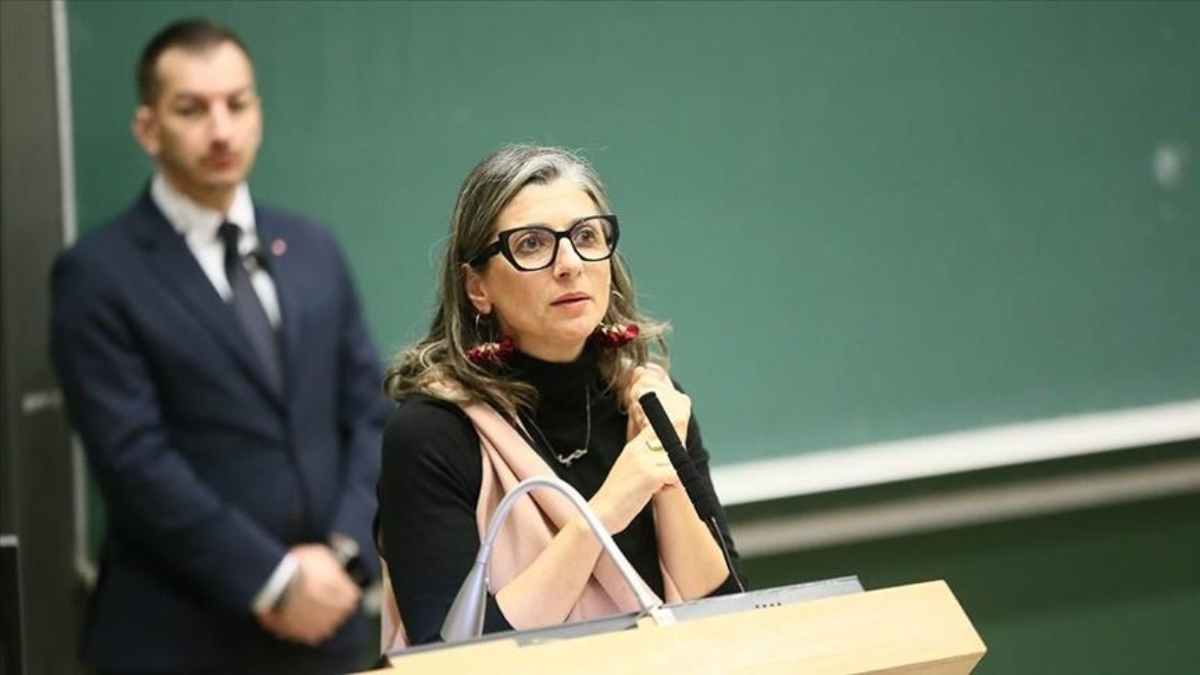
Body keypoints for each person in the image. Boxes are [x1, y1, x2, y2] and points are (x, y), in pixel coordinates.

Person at [49, 18, 389, 674]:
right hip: (177, 640)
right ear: (148, 127)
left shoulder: (313, 248)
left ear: (258, 112)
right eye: (192, 109)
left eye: (237, 104)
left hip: (328, 627)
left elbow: (370, 415)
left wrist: (346, 555)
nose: (221, 130)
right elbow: (133, 460)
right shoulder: (98, 274)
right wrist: (273, 580)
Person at [376, 144, 746, 649]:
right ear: (477, 287)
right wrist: (608, 509)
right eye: (531, 244)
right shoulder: (430, 434)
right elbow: (450, 654)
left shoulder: (651, 401)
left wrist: (666, 479)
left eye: (586, 236)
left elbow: (729, 611)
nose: (570, 263)